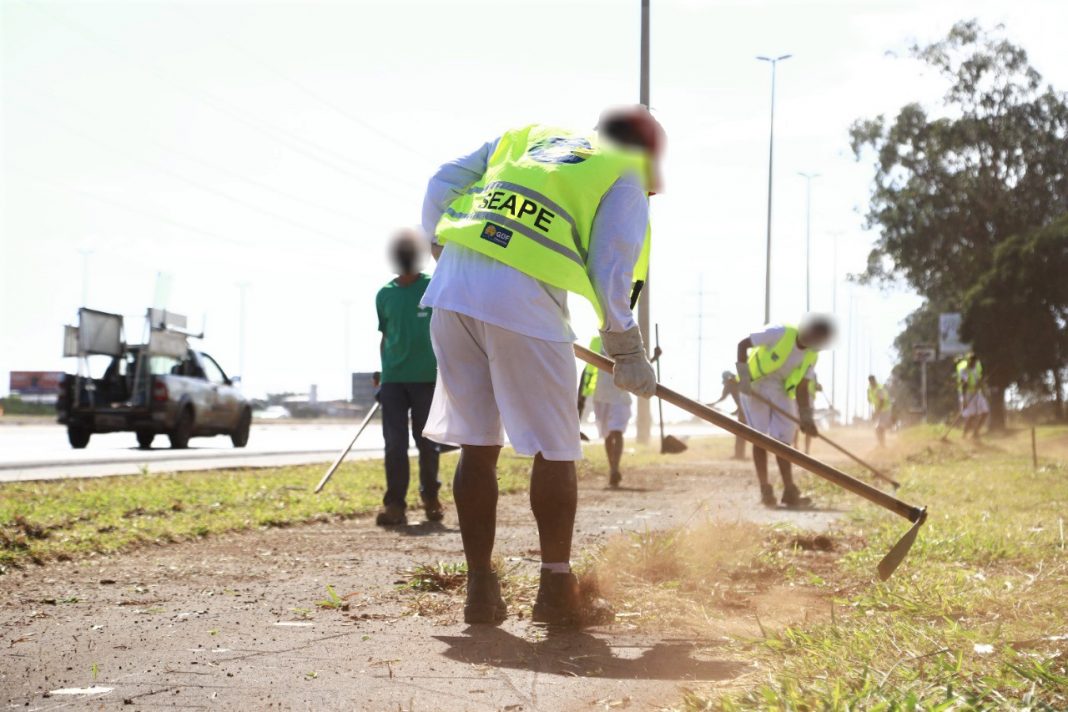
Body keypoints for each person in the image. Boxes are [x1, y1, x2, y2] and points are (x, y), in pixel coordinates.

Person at [419, 106, 665, 627]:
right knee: (555, 448)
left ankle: (481, 591)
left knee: (477, 446)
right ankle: (556, 590)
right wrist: (626, 349)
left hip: (453, 291)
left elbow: (441, 181)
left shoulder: (528, 138)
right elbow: (612, 264)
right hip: (524, 305)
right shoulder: (623, 171)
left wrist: (442, 247)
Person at [374, 230, 442, 527]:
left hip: (427, 378)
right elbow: (386, 337)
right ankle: (395, 505)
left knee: (427, 443)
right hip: (393, 380)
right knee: (394, 444)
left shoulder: (434, 287)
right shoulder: (384, 294)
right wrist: (382, 371)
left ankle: (431, 498)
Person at [735, 315, 835, 508]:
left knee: (784, 439)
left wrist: (806, 419)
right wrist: (744, 379)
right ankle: (765, 488)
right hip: (756, 384)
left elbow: (803, 387)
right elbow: (742, 345)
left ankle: (789, 490)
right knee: (759, 438)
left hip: (780, 389)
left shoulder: (812, 356)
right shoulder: (780, 332)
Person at [710, 370, 747, 460]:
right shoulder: (736, 383)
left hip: (746, 411)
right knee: (742, 433)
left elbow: (743, 399)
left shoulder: (734, 384)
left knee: (741, 432)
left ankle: (739, 455)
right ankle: (739, 454)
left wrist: (712, 404)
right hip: (744, 411)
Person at [957, 353, 989, 439]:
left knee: (985, 412)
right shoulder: (964, 370)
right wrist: (964, 400)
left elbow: (979, 379)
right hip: (968, 393)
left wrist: (981, 384)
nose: (973, 364)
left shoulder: (977, 366)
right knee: (971, 415)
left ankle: (975, 432)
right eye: (972, 362)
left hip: (977, 393)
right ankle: (964, 434)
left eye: (975, 362)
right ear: (969, 362)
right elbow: (964, 385)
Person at [867, 375, 892, 447]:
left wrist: (876, 413)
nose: (871, 382)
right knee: (877, 428)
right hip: (879, 410)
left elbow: (882, 402)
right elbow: (870, 400)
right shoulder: (870, 389)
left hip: (885, 410)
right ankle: (881, 445)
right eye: (870, 381)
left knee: (879, 428)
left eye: (872, 381)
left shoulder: (879, 389)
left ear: (874, 380)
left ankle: (882, 445)